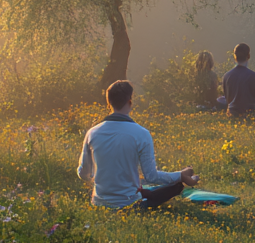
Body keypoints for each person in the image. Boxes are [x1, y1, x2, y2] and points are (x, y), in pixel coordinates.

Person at [77, 81, 201, 209]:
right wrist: (180, 176)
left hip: (99, 202)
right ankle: (182, 175)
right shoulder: (141, 133)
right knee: (176, 187)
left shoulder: (92, 133)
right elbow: (151, 176)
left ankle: (181, 175)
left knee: (144, 186)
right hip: (129, 203)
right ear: (130, 101)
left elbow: (84, 174)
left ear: (109, 103)